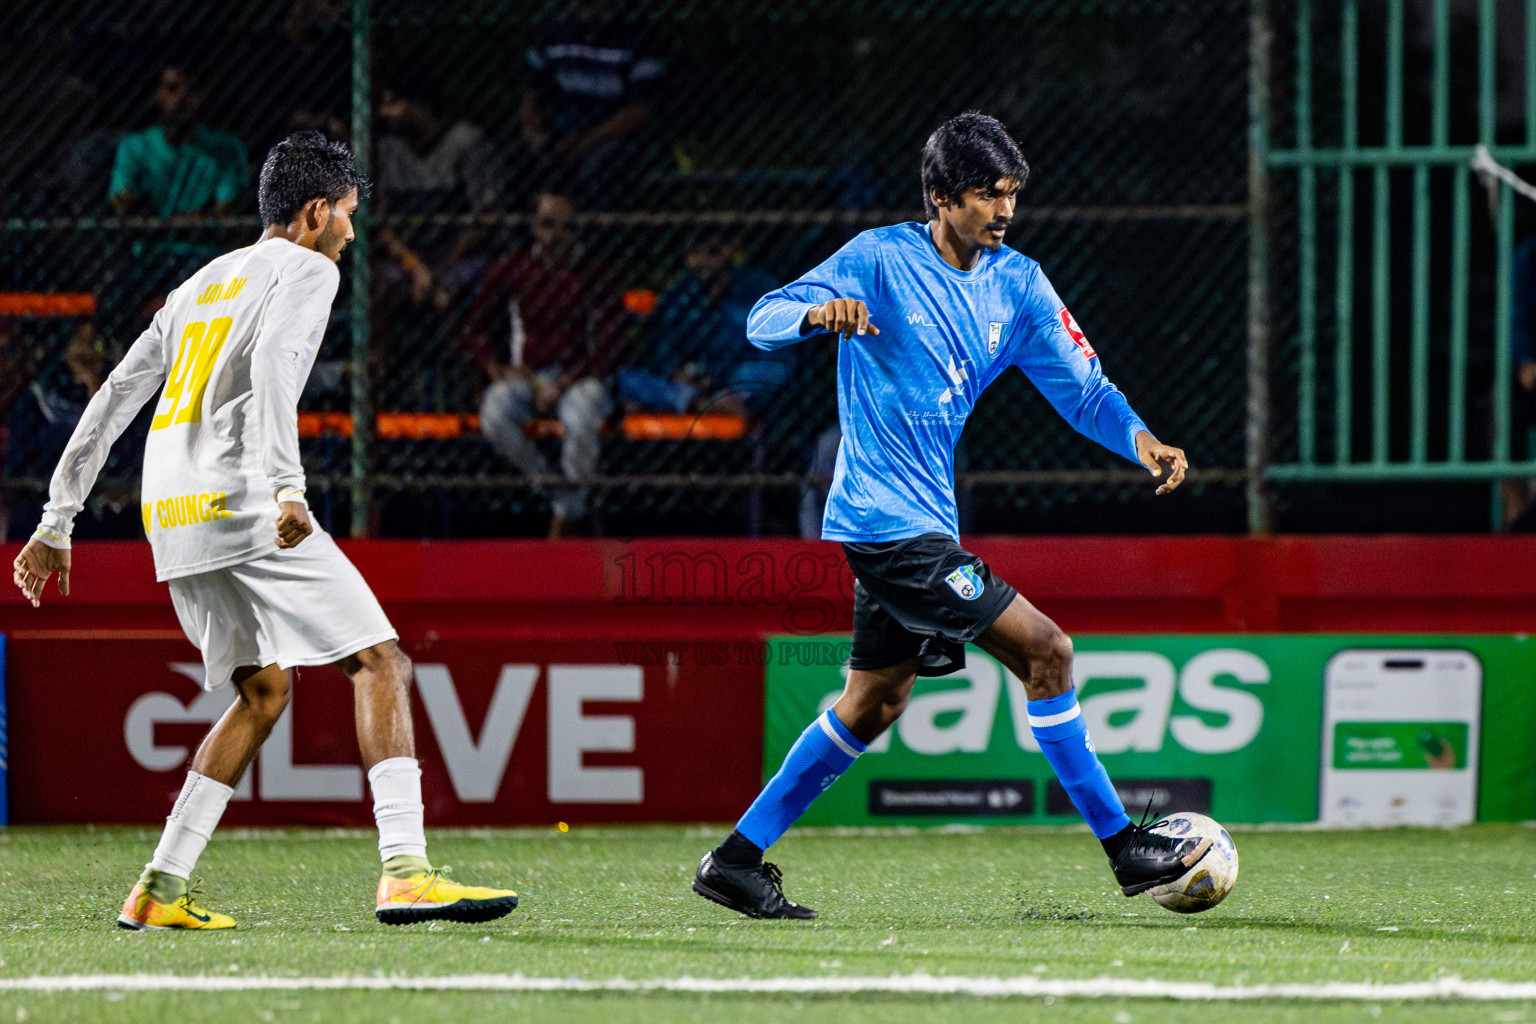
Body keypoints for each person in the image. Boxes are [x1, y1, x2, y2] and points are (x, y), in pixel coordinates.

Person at [692, 113, 1203, 919]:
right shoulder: (878, 259)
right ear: (939, 195)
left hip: (922, 525)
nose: (1004, 211)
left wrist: (1140, 439)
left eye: (1011, 194)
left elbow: (1083, 388)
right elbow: (763, 319)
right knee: (1048, 651)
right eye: (986, 195)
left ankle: (734, 860)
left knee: (875, 700)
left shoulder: (1019, 284)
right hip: (886, 526)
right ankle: (1125, 850)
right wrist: (816, 315)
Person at [12, 131, 518, 931]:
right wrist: (289, 486)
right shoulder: (309, 269)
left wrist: (55, 520)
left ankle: (159, 886)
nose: (352, 233)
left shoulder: (199, 283)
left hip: (170, 517)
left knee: (263, 692)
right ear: (315, 213)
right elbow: (277, 366)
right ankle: (406, 871)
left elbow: (113, 396)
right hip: (244, 502)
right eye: (347, 214)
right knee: (381, 662)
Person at [463, 191, 625, 537]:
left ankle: (564, 517)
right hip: (528, 376)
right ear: (535, 227)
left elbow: (610, 346)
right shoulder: (516, 268)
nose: (556, 234)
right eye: (548, 224)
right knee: (494, 413)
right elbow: (474, 325)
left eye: (566, 226)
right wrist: (496, 369)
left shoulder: (597, 273)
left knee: (582, 420)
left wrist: (565, 382)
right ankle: (558, 489)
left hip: (580, 377)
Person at [618, 229, 790, 418]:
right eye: (695, 252)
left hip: (736, 379)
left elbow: (772, 352)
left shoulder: (758, 287)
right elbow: (666, 350)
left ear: (730, 251)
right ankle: (699, 404)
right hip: (691, 385)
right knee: (626, 379)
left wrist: (722, 380)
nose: (703, 260)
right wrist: (677, 371)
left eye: (713, 251)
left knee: (773, 369)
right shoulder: (679, 294)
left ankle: (709, 402)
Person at [520, 0, 667, 204]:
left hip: (610, 140)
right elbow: (531, 95)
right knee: (521, 162)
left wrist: (585, 141)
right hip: (561, 136)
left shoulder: (637, 38)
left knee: (601, 166)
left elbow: (641, 110)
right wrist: (535, 135)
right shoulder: (554, 34)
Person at [109, 63, 247, 218]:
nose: (182, 96)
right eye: (172, 88)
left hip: (203, 234)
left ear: (201, 95)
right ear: (158, 95)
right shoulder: (134, 147)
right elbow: (121, 199)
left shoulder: (226, 149)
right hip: (152, 234)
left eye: (190, 89)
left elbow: (227, 208)